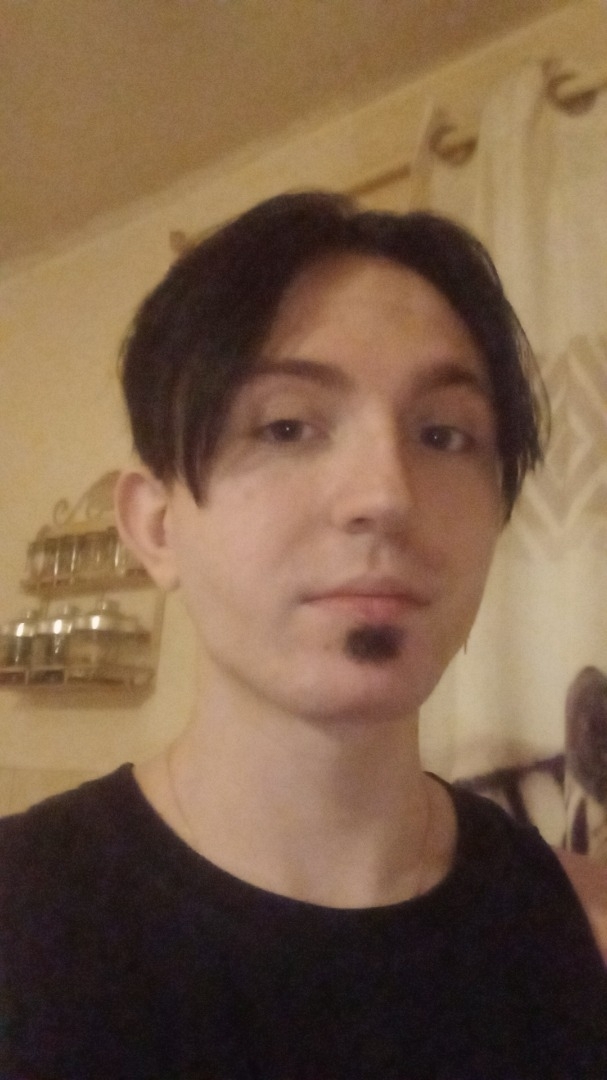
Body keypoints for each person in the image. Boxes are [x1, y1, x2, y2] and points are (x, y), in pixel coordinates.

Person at [1, 191, 606, 1079]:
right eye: (285, 426)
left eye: (443, 434)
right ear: (156, 527)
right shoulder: (23, 923)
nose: (386, 495)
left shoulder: (582, 932)